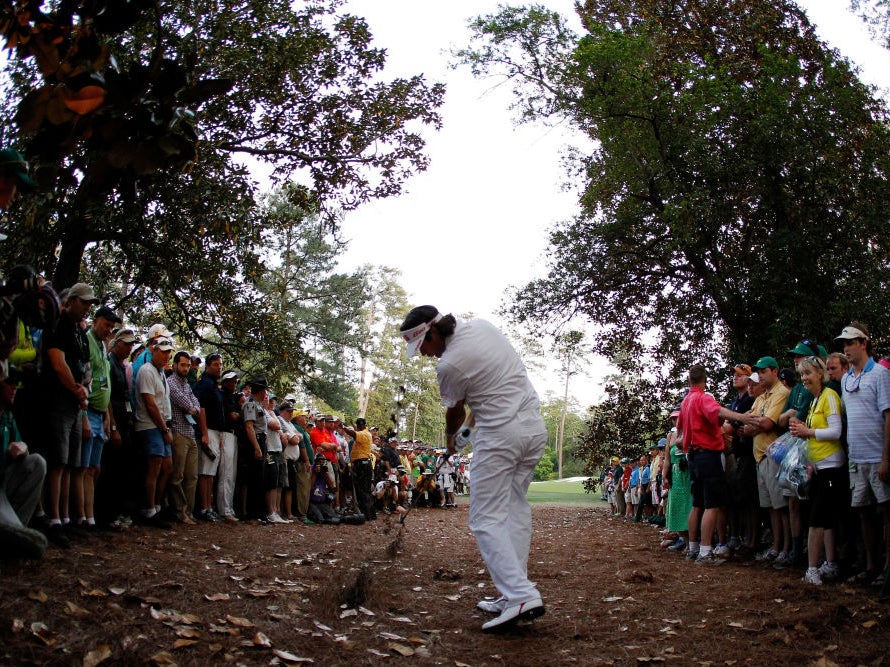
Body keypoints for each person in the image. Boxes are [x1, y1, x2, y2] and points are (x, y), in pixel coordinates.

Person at [400, 305, 546, 632]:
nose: (423, 354)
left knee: (485, 518)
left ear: (434, 333)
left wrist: (452, 437)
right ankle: (512, 592)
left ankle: (521, 594)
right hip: (533, 429)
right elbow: (490, 387)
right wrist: (467, 428)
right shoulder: (482, 327)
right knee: (513, 509)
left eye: (422, 345)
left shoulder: (449, 364)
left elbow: (454, 411)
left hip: (501, 438)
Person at [675, 364, 749, 565]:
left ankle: (693, 548)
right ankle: (706, 552)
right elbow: (718, 411)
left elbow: (680, 430)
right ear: (705, 381)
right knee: (712, 504)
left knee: (697, 504)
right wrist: (742, 417)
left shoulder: (686, 401)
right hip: (708, 454)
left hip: (693, 455)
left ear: (690, 380)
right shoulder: (703, 398)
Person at [834, 322, 890, 586]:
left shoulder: (880, 374)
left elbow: (888, 416)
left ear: (863, 343)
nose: (846, 348)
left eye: (850, 343)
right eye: (844, 344)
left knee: (885, 512)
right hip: (856, 458)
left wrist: (886, 458)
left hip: (877, 456)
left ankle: (887, 569)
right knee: (862, 512)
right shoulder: (846, 379)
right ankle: (870, 566)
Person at [788, 356, 846, 585]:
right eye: (802, 375)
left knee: (817, 519)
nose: (804, 378)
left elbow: (836, 431)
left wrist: (808, 432)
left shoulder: (829, 396)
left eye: (808, 373)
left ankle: (812, 568)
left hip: (832, 466)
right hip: (819, 466)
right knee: (826, 518)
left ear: (820, 374)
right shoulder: (815, 399)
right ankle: (830, 563)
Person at [0, 365, 48, 559]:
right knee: (30, 543)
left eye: (16, 384)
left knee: (37, 462)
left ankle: (17, 529)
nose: (14, 388)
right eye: (9, 383)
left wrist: (22, 448)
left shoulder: (7, 417)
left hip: (4, 486)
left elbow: (22, 448)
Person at [134, 336, 175, 529]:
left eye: (169, 352)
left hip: (162, 425)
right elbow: (150, 404)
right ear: (153, 350)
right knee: (154, 466)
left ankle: (157, 506)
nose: (166, 356)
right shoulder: (146, 371)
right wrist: (164, 428)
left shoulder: (161, 374)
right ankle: (148, 509)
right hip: (150, 425)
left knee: (167, 467)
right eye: (163, 351)